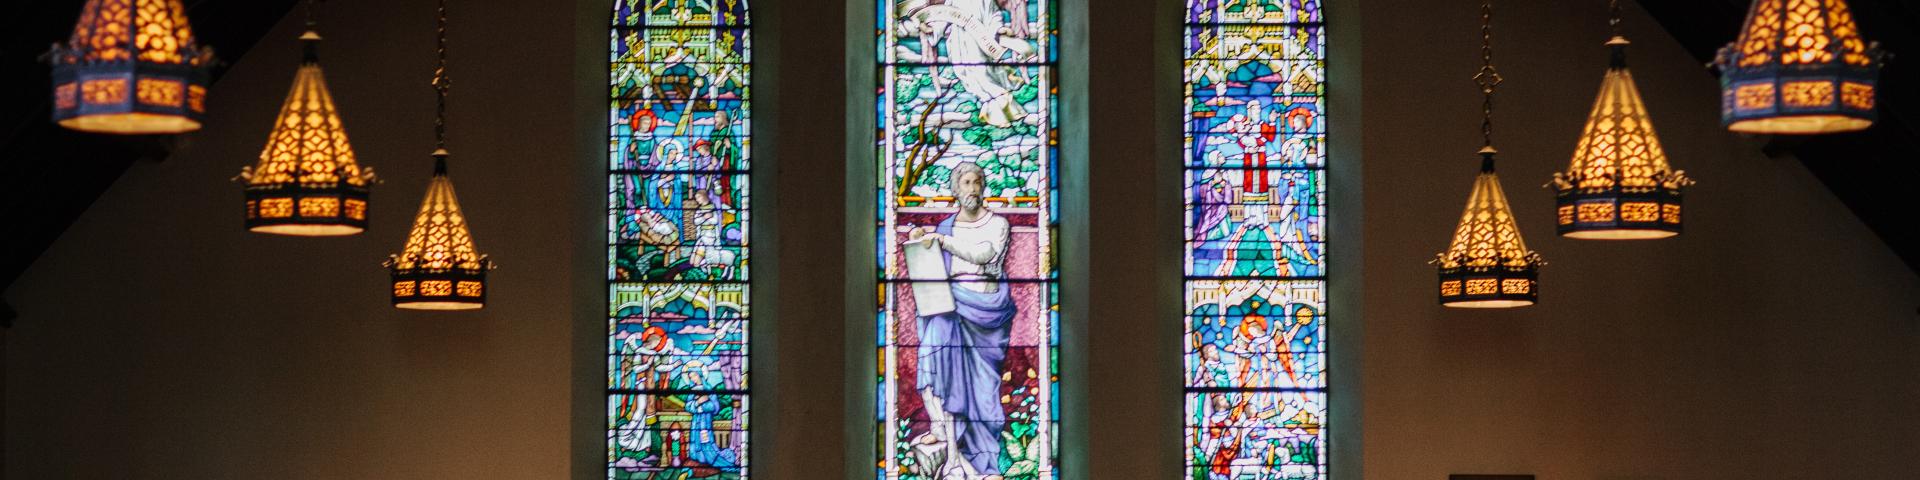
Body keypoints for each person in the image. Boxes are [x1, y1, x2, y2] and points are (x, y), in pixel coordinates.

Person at [904, 161, 1016, 478]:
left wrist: (942, 241)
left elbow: (985, 254)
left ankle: (983, 463)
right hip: (947, 307)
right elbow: (930, 263)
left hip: (986, 314)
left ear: (983, 187)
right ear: (955, 189)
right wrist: (920, 238)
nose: (971, 188)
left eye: (976, 181)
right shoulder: (945, 227)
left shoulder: (997, 224)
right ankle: (943, 431)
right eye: (965, 182)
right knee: (933, 362)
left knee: (983, 392)